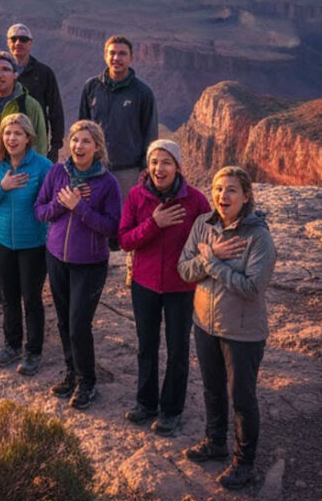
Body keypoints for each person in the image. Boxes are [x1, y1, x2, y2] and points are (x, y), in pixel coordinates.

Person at [178, 166, 276, 490]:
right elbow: (184, 269)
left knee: (242, 398)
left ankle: (244, 463)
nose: (223, 196)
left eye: (232, 189)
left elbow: (252, 287)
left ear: (246, 196)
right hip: (205, 324)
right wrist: (209, 259)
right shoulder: (202, 225)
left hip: (242, 333)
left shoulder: (258, 236)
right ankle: (215, 441)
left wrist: (213, 263)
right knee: (212, 388)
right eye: (219, 188)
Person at [119, 140, 211, 436]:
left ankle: (171, 410)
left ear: (178, 167)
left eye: (167, 162)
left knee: (177, 349)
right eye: (155, 162)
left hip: (181, 288)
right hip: (144, 284)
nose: (160, 168)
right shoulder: (136, 196)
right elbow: (124, 240)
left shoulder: (196, 201)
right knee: (146, 346)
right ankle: (145, 403)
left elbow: (209, 239)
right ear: (148, 166)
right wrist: (154, 223)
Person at [35, 119, 121, 410]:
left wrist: (79, 207)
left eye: (86, 141)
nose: (78, 146)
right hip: (56, 258)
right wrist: (62, 204)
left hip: (90, 265)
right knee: (63, 321)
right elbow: (40, 210)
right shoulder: (58, 172)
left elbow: (112, 228)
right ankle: (72, 372)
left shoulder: (107, 183)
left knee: (78, 325)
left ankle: (88, 382)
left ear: (97, 148)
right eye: (75, 140)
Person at [0, 50, 49, 313]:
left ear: (15, 74)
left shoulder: (30, 105)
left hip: (26, 173)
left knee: (25, 227)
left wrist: (35, 174)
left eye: (5, 69)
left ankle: (28, 288)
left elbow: (41, 140)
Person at [0, 113, 53, 376]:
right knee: (8, 297)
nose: (11, 139)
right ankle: (11, 345)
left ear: (29, 137)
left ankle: (33, 351)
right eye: (7, 134)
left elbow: (49, 206)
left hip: (33, 243)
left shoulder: (43, 167)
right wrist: (3, 186)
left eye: (17, 134)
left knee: (31, 299)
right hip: (1, 242)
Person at [78, 35, 158, 207]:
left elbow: (150, 133)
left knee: (124, 220)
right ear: (105, 56)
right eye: (112, 53)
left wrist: (145, 169)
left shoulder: (142, 93)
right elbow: (81, 128)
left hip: (128, 172)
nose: (116, 58)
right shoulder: (91, 87)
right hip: (95, 169)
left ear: (132, 58)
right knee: (92, 215)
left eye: (122, 54)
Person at [6, 24, 64, 163]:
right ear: (8, 43)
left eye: (23, 39)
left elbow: (55, 109)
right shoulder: (1, 73)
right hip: (7, 142)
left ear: (30, 44)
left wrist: (56, 145)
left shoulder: (44, 73)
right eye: (14, 39)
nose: (18, 43)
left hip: (36, 143)